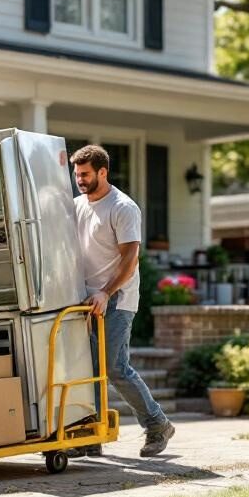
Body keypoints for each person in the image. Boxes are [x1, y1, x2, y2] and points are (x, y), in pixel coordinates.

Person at [71, 145, 175, 458]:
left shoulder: (122, 207)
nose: (80, 180)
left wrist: (106, 291)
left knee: (114, 367)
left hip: (117, 298)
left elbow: (130, 258)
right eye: (77, 174)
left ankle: (157, 424)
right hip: (85, 299)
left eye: (85, 174)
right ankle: (92, 434)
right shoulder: (77, 205)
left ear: (103, 172)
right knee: (87, 369)